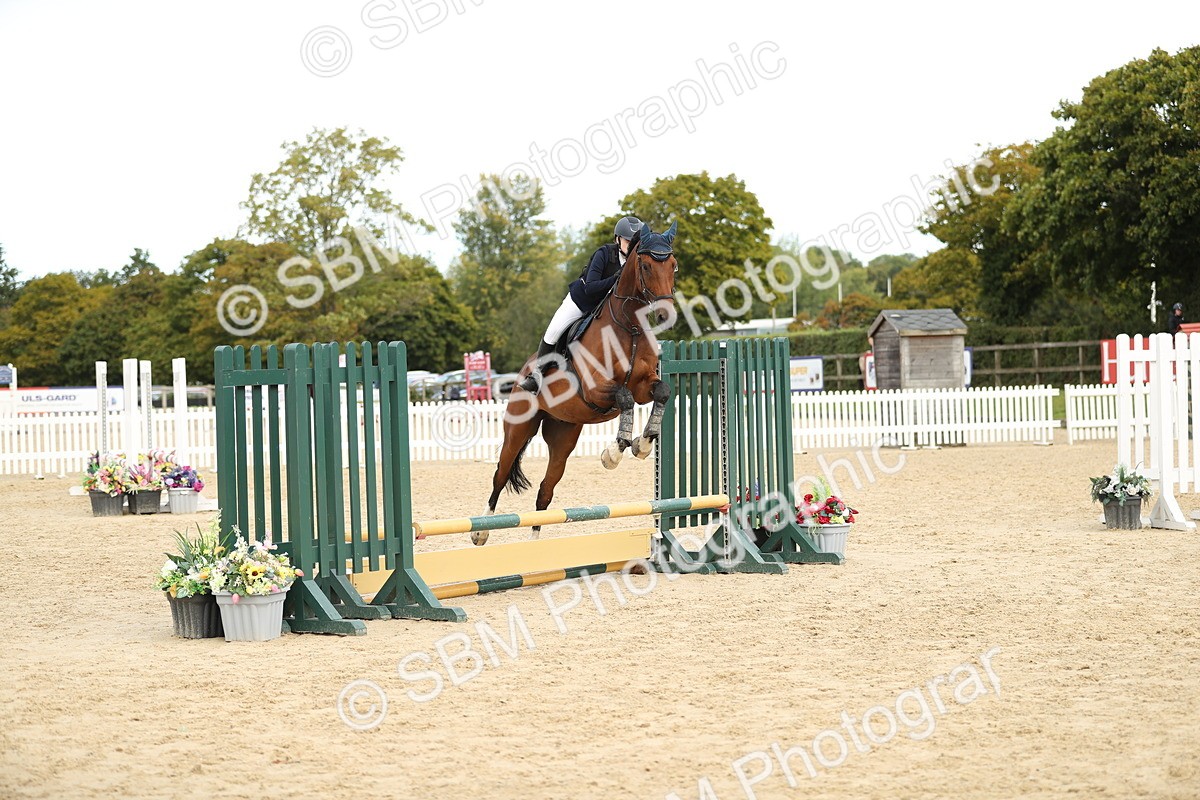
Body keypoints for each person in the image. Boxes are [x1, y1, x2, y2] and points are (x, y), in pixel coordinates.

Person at [519, 216, 643, 394]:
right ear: (617, 240)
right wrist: (616, 278)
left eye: (635, 243)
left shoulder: (638, 262)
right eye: (628, 242)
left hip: (608, 309)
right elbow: (590, 288)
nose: (632, 247)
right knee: (553, 332)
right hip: (582, 301)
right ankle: (536, 375)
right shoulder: (604, 254)